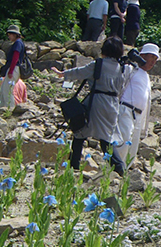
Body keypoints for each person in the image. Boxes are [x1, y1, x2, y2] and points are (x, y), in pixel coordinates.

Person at [52, 36, 130, 174]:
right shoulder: (121, 68)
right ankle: (120, 170)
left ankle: (74, 166)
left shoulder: (99, 64)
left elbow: (80, 72)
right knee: (106, 139)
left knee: (80, 132)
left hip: (97, 103)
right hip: (112, 105)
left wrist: (62, 74)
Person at [0, 25, 25, 111]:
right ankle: (2, 108)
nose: (9, 36)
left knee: (7, 90)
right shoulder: (19, 43)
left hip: (14, 68)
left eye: (10, 34)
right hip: (14, 68)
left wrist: (11, 70)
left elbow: (15, 57)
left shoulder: (17, 43)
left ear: (15, 34)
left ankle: (9, 109)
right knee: (3, 89)